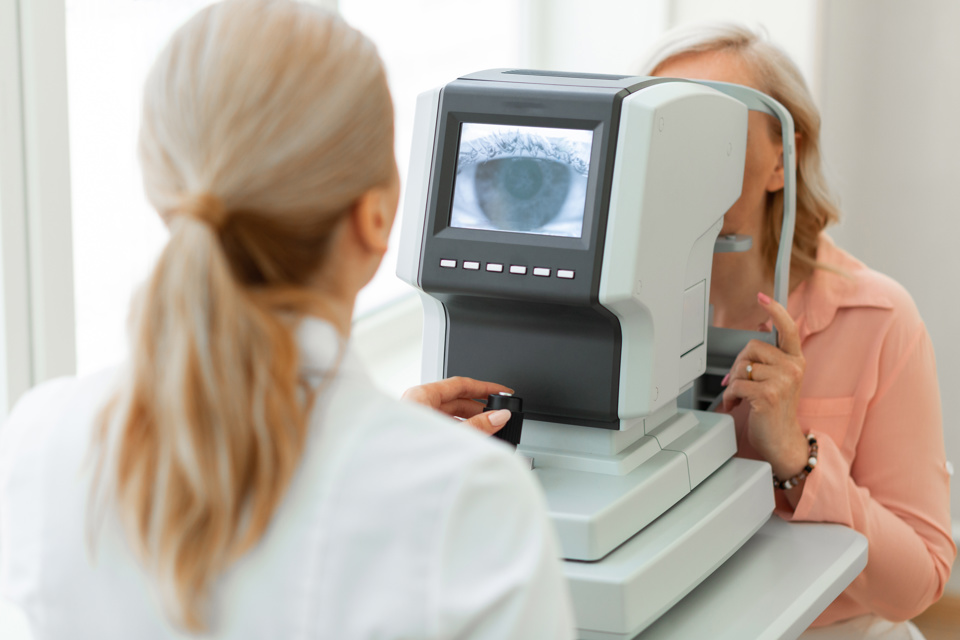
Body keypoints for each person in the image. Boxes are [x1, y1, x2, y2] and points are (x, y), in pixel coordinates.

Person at [0, 2, 574, 638]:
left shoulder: (40, 440)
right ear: (378, 218)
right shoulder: (468, 504)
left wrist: (393, 449)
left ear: (162, 186)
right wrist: (416, 466)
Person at [636, 22, 954, 639]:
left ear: (782, 158)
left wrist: (796, 457)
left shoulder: (880, 320)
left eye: (713, 131)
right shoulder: (613, 316)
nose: (680, 159)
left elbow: (919, 583)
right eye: (660, 130)